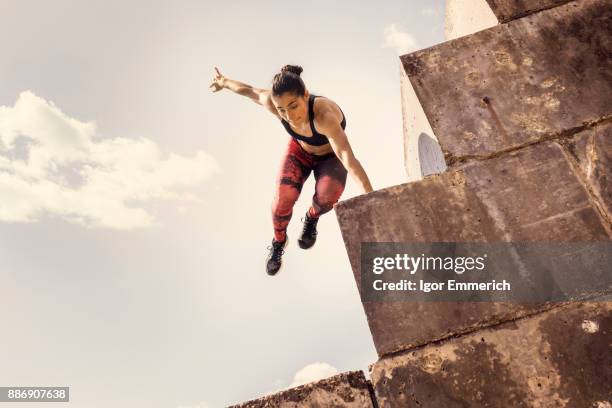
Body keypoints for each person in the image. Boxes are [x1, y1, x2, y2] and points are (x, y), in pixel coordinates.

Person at [210, 65, 373, 275]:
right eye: (282, 110)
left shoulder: (324, 116)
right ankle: (279, 242)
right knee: (282, 200)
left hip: (330, 157)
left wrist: (371, 197)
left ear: (305, 95)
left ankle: (311, 217)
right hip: (300, 152)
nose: (289, 115)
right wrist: (224, 82)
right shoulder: (272, 102)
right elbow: (249, 91)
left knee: (327, 196)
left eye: (293, 106)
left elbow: (347, 158)